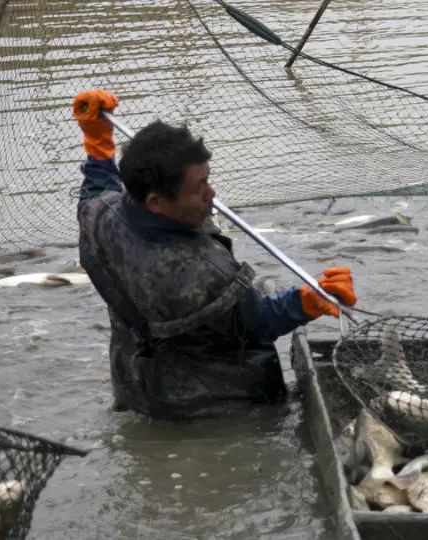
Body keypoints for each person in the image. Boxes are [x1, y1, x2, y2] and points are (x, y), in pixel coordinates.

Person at [72, 89, 357, 419]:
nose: (212, 193)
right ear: (156, 202)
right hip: (212, 405)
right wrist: (307, 301)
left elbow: (96, 192)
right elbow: (255, 323)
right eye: (199, 188)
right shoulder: (198, 271)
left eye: (208, 179)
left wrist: (98, 145)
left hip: (135, 384)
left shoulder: (101, 215)